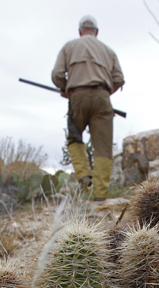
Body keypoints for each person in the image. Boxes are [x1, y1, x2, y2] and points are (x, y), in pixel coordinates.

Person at [52, 15, 125, 201]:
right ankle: (100, 197)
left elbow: (57, 75)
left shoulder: (69, 47)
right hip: (102, 98)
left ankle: (84, 177)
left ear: (80, 31)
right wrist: (104, 93)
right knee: (103, 147)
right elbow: (118, 79)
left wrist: (66, 89)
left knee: (74, 137)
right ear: (96, 32)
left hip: (77, 96)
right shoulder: (108, 51)